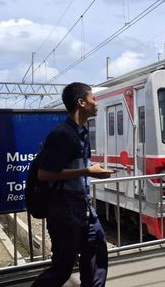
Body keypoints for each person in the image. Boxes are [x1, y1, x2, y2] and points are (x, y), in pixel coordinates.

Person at [32, 82, 115, 287]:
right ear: (81, 102)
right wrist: (87, 171)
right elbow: (44, 174)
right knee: (62, 269)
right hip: (64, 213)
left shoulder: (81, 132)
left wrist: (91, 169)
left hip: (83, 208)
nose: (96, 103)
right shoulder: (62, 134)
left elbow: (73, 167)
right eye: (93, 99)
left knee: (96, 253)